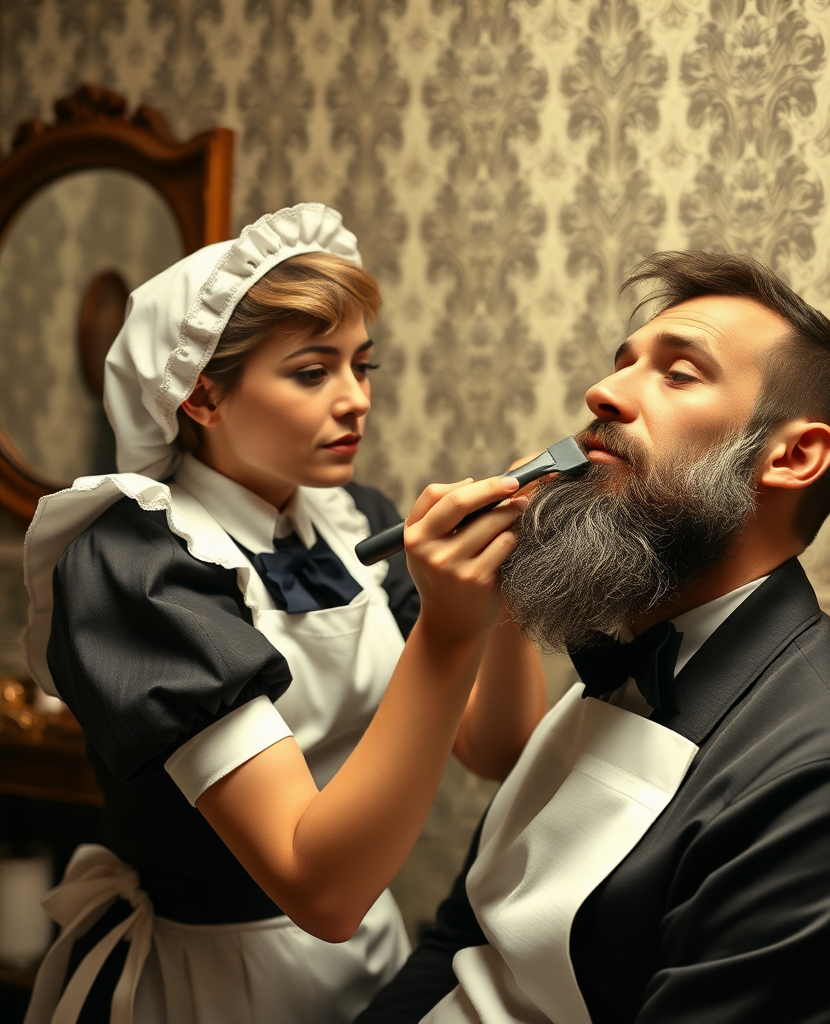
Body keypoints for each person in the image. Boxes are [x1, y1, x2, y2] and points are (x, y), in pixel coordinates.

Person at [356, 251, 830, 1024]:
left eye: (678, 373)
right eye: (622, 364)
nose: (602, 392)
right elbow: (464, 938)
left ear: (792, 456)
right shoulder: (623, 658)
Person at [21, 203, 547, 1024]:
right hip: (211, 977)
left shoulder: (351, 523)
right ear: (201, 397)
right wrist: (446, 628)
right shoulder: (138, 565)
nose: (355, 401)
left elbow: (496, 746)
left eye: (361, 366)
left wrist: (503, 593)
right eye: (312, 372)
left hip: (368, 958)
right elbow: (319, 888)